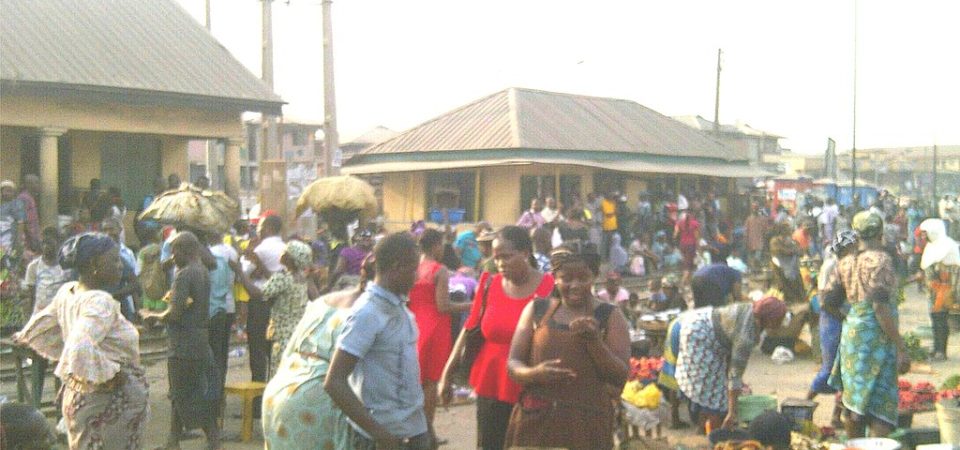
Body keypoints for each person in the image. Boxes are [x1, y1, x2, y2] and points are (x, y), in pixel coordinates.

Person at [14, 233, 149, 449]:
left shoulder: (68, 292)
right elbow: (79, 346)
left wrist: (72, 377)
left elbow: (45, 323)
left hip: (80, 398)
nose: (120, 266)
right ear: (94, 264)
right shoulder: (100, 302)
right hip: (106, 401)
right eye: (114, 260)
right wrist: (115, 375)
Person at [504, 240, 631, 450]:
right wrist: (534, 373)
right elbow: (513, 363)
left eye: (583, 278)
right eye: (566, 278)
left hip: (587, 426)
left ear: (594, 276)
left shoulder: (609, 316)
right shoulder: (537, 310)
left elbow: (620, 376)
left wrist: (594, 342)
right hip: (536, 422)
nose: (575, 285)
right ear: (554, 278)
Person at [438, 226, 555, 450]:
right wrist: (447, 373)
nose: (500, 263)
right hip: (491, 382)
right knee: (490, 444)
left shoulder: (550, 287)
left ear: (525, 253)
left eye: (507, 256)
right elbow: (469, 329)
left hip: (532, 384)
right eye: (496, 258)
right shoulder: (489, 283)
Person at [323, 232, 433, 450]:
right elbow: (334, 382)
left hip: (412, 431)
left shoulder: (400, 310)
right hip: (381, 439)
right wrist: (381, 435)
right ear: (397, 267)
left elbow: (408, 379)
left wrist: (427, 428)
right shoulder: (368, 313)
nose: (417, 277)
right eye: (413, 270)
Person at [263, 254, 377, 450]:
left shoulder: (323, 302)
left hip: (279, 392)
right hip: (317, 403)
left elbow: (290, 349)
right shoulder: (370, 315)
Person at [825, 211, 912, 438]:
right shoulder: (880, 261)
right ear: (881, 233)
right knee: (879, 406)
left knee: (854, 401)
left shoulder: (845, 262)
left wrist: (852, 318)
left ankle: (853, 444)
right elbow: (880, 308)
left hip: (852, 337)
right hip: (877, 338)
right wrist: (901, 347)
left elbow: (827, 302)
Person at [143, 231, 221, 450]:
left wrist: (153, 316)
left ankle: (214, 441)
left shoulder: (184, 274)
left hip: (183, 343)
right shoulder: (202, 271)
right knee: (182, 392)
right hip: (199, 340)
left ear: (185, 250)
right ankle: (173, 440)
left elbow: (174, 313)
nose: (172, 256)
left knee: (187, 393)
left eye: (174, 251)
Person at [675, 297, 788, 432]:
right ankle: (715, 435)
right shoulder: (746, 336)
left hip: (703, 322)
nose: (781, 325)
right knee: (715, 396)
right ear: (769, 319)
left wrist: (734, 386)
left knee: (721, 389)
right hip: (699, 335)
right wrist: (732, 413)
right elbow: (735, 374)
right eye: (779, 320)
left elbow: (731, 361)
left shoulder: (751, 310)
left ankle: (704, 427)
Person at [408, 229, 473, 437]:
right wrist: (472, 305)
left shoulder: (413, 267)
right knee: (430, 382)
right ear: (436, 245)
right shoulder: (439, 270)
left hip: (413, 325)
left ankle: (412, 429)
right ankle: (427, 432)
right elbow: (443, 306)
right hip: (435, 327)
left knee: (413, 379)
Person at [234, 239, 313, 375]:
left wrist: (240, 272)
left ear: (289, 258)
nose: (281, 253)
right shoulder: (301, 278)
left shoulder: (283, 278)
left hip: (282, 335)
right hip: (296, 333)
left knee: (279, 374)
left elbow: (258, 294)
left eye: (285, 251)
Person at [807, 230, 859, 428]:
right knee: (830, 370)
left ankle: (836, 416)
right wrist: (845, 317)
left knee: (846, 372)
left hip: (842, 319)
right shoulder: (832, 265)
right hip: (832, 321)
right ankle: (805, 405)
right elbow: (826, 302)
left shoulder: (846, 264)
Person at [20, 227, 72, 403]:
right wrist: (29, 324)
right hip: (40, 322)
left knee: (60, 369)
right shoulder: (34, 267)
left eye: (50, 242)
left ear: (58, 244)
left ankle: (60, 407)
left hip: (60, 325)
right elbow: (30, 297)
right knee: (39, 366)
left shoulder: (66, 268)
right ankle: (36, 404)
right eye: (43, 242)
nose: (46, 246)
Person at [247, 214, 285, 387]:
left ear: (268, 228)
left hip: (260, 302)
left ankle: (257, 398)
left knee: (258, 350)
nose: (257, 230)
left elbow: (245, 270)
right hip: (281, 304)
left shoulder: (261, 249)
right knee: (275, 350)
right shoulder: (286, 248)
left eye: (260, 227)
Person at [918, 218, 959, 361]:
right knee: (935, 320)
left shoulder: (947, 246)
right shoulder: (932, 246)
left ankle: (941, 351)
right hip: (933, 291)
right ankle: (936, 349)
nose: (923, 236)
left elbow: (951, 270)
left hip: (944, 290)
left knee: (941, 320)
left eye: (925, 233)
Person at [206, 232, 238, 410]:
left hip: (213, 309)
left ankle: (213, 400)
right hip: (229, 305)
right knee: (221, 356)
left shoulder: (211, 255)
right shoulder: (231, 251)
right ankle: (219, 396)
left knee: (212, 357)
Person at [101, 217, 141, 322]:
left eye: (111, 229)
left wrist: (137, 309)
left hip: (124, 307)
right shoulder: (99, 255)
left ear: (119, 230)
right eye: (104, 230)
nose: (108, 233)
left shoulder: (127, 253)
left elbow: (135, 283)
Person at [691, 244, 743, 308]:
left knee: (699, 306)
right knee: (717, 308)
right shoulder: (737, 274)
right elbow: (737, 294)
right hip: (709, 280)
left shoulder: (725, 270)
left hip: (695, 278)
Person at [770, 222, 805, 304]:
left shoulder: (791, 241)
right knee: (782, 284)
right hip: (778, 266)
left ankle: (799, 299)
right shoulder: (775, 241)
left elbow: (799, 251)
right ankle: (787, 300)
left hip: (791, 267)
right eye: (786, 230)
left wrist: (794, 251)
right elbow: (778, 250)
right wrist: (791, 251)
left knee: (797, 282)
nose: (788, 231)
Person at [674, 208, 701, 286]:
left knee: (686, 264)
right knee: (688, 266)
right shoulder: (695, 223)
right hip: (691, 246)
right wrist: (699, 249)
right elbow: (697, 237)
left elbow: (675, 235)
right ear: (693, 214)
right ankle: (682, 284)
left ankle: (689, 284)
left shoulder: (679, 223)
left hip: (682, 245)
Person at [17, 174, 40, 252]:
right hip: (27, 239)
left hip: (31, 237)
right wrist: (31, 238)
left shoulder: (30, 198)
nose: (38, 185)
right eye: (36, 183)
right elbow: (23, 220)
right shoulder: (24, 198)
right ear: (28, 184)